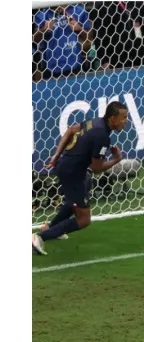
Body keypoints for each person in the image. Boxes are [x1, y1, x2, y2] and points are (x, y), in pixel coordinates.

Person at [32, 102, 129, 255]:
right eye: (123, 117)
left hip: (67, 166)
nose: (126, 121)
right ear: (112, 118)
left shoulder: (94, 122)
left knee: (77, 196)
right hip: (73, 173)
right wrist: (116, 159)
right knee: (84, 219)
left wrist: (57, 155)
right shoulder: (102, 137)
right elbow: (97, 169)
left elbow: (70, 130)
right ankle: (39, 237)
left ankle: (50, 228)